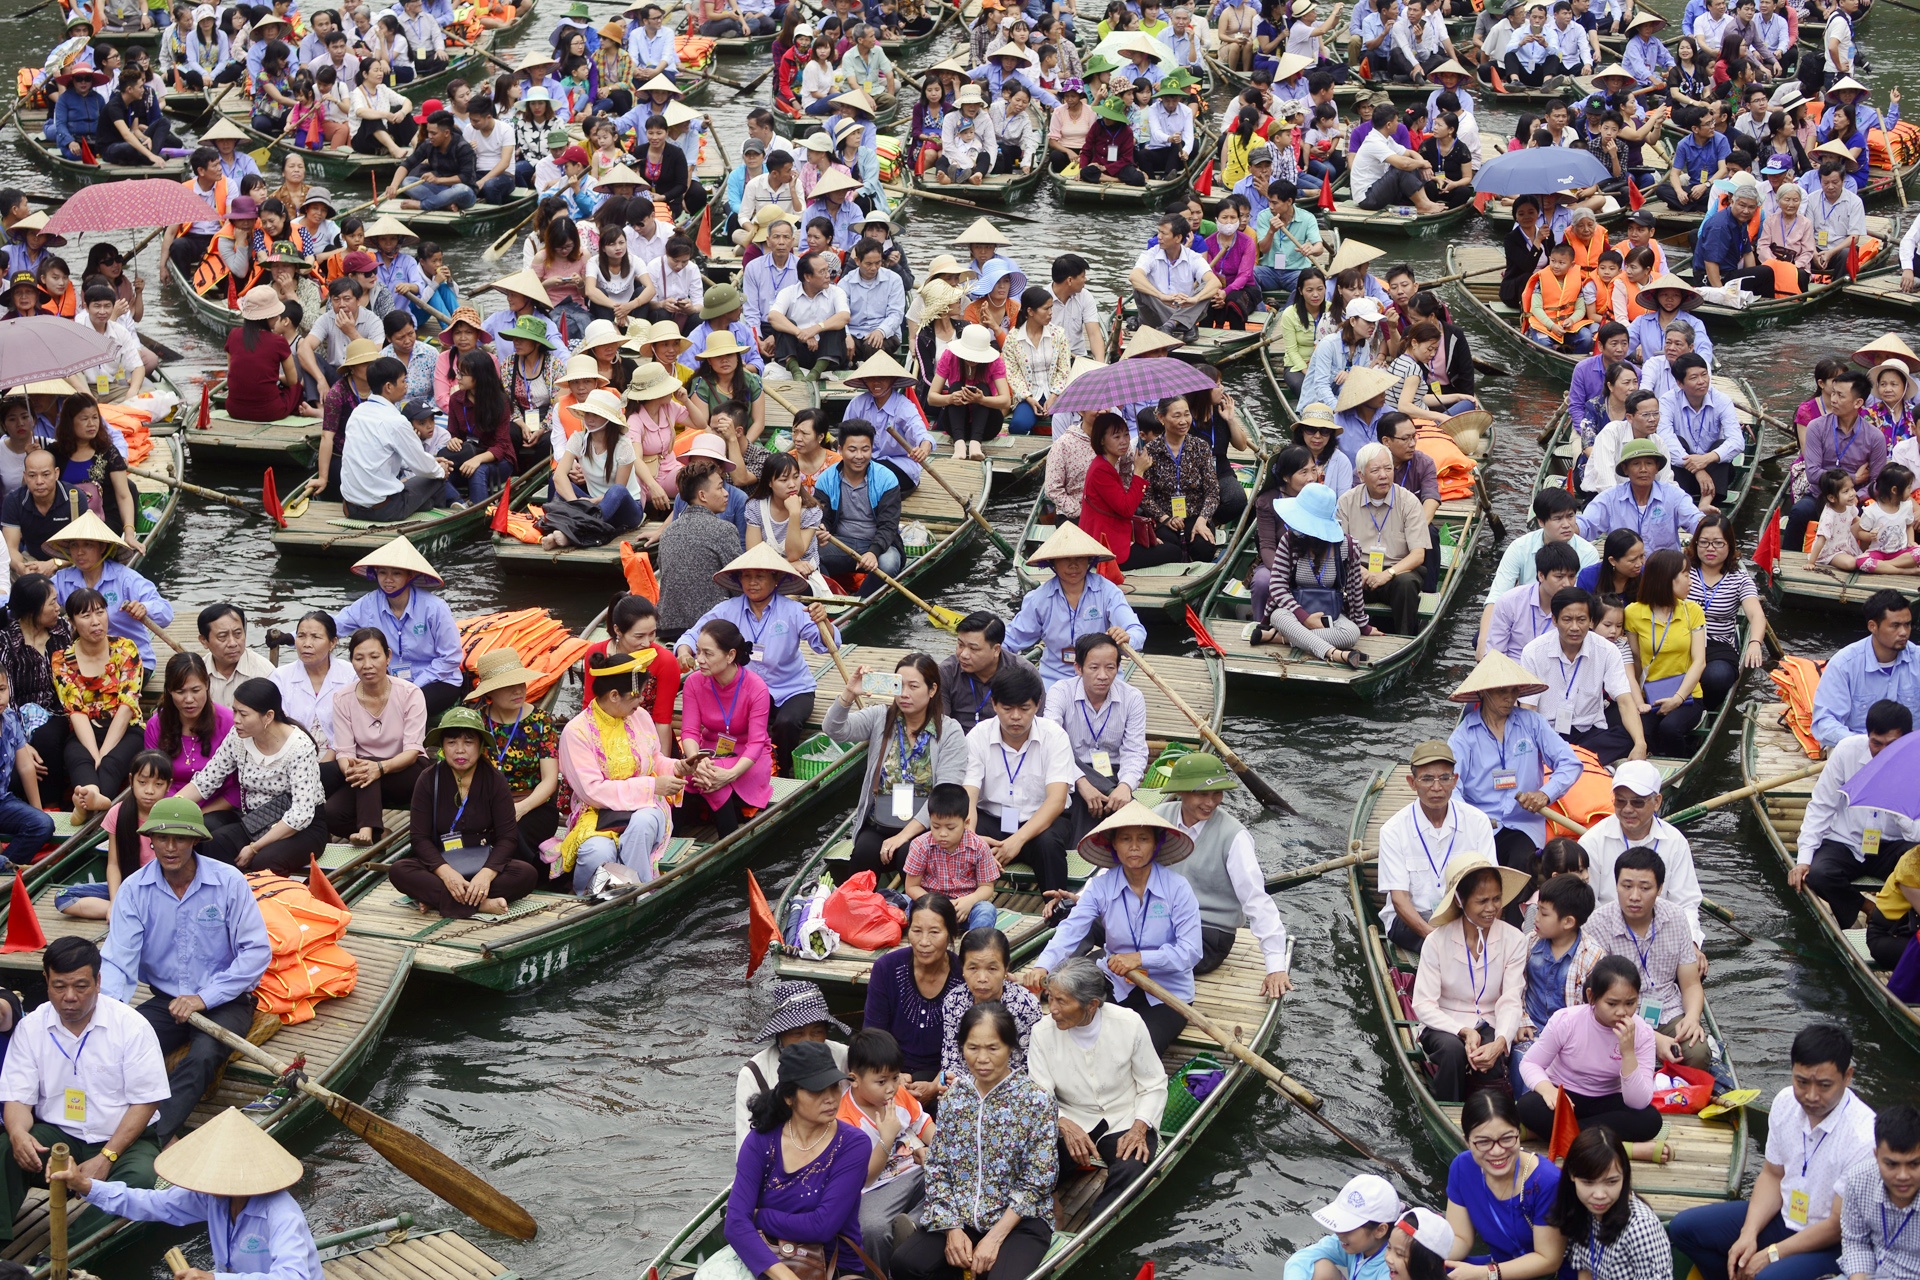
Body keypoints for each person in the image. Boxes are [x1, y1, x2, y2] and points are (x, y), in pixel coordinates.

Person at [98, 795, 269, 1142]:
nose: (170, 847)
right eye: (162, 838)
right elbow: (118, 960)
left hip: (225, 999)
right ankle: (100, 1128)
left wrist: (203, 998)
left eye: (180, 838)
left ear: (195, 840)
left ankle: (151, 1137)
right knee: (122, 1048)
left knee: (204, 1054)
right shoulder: (133, 890)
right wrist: (105, 1015)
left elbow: (255, 953)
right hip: (167, 999)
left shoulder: (229, 882)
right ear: (151, 840)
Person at [1667, 1024, 1876, 1280]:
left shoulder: (1864, 1135)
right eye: (1802, 1081)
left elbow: (1837, 1225)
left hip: (1830, 1243)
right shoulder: (1786, 1102)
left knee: (1767, 1276)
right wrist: (1748, 1233)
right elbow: (1772, 1175)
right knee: (1684, 1229)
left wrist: (1771, 1254)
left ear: (1848, 1077)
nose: (1811, 1095)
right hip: (1784, 1217)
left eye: (1824, 1085)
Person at [0, 933, 165, 1236]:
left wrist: (107, 1157)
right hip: (58, 1135)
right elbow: (17, 1098)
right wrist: (18, 1134)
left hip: (121, 1142)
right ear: (46, 981)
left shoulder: (131, 1026)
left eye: (81, 986)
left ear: (98, 982)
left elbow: (146, 1101)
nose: (70, 997)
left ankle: (63, 1257)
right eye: (59, 986)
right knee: (3, 1150)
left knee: (144, 1178)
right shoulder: (31, 1027)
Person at [50, 1106, 324, 1277]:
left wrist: (214, 1279)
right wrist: (85, 1185)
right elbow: (153, 1204)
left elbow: (293, 1276)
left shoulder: (281, 1214)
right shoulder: (215, 1197)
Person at [889, 1001, 1057, 1280]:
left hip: (1019, 1221)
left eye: (993, 1048)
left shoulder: (1037, 1101)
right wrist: (952, 1229)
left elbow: (1039, 1180)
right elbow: (939, 1167)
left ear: (1010, 1048)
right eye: (973, 1048)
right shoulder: (955, 1098)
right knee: (906, 1263)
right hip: (962, 1217)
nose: (982, 1058)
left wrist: (994, 1238)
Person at [1026, 803, 1202, 1055]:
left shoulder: (1178, 888)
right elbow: (1071, 929)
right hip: (1117, 982)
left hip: (1167, 991)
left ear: (1156, 844)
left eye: (1143, 839)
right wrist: (1043, 965)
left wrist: (1141, 958)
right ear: (1113, 845)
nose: (1134, 846)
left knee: (1142, 1048)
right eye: (1125, 839)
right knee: (1084, 1030)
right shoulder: (1100, 887)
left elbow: (1191, 951)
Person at [677, 545, 839, 774]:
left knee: (786, 724)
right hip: (746, 691)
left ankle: (783, 770)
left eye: (760, 577)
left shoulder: (793, 610)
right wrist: (685, 651)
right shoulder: (727, 609)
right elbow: (692, 635)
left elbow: (825, 645)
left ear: (776, 580)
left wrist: (824, 622)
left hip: (791, 689)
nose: (752, 583)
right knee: (739, 724)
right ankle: (744, 766)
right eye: (747, 576)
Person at [1028, 955, 1167, 1222]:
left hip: (1124, 1115)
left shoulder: (1129, 1023)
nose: (1052, 1009)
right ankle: (1045, 1203)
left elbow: (1153, 1084)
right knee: (1034, 1162)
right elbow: (1039, 1095)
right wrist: (1064, 1124)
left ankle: (1095, 1227)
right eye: (1050, 998)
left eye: (1061, 1001)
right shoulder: (1042, 1033)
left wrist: (1139, 1128)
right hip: (1072, 1117)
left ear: (1091, 1005)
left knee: (1132, 1166)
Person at [553, 649, 696, 895]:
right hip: (596, 813)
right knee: (597, 853)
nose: (641, 701)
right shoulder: (576, 733)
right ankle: (592, 900)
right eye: (636, 695)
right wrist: (652, 786)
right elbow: (592, 791)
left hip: (645, 807)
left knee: (641, 825)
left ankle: (639, 895)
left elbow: (654, 760)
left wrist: (676, 767)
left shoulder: (639, 716)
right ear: (614, 695)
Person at [724, 1040, 869, 1274]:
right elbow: (735, 1224)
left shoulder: (854, 1145)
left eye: (834, 1087)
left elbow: (821, 1226)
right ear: (789, 1097)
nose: (831, 1098)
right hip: (769, 1259)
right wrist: (784, 1276)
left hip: (834, 1267)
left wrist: (760, 1217)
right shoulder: (760, 1141)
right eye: (817, 1090)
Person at [385, 705, 540, 919]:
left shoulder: (494, 780)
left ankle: (438, 900)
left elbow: (507, 838)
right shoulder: (428, 779)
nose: (460, 750)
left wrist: (486, 875)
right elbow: (419, 838)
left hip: (483, 862)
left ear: (480, 746)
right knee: (399, 871)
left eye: (468, 742)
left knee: (526, 875)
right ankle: (481, 904)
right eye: (451, 742)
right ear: (442, 747)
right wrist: (446, 874)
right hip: (443, 863)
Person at [826, 654, 967, 880]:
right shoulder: (880, 717)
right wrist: (849, 694)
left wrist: (904, 836)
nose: (904, 694)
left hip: (925, 826)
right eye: (899, 685)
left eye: (913, 686)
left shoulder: (950, 731)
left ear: (932, 690)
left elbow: (946, 793)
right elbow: (834, 730)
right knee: (864, 853)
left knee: (909, 853)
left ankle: (915, 909)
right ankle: (861, 909)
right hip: (879, 819)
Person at [1412, 851, 1530, 1101]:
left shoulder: (1515, 940)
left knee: (1493, 1060)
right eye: (1482, 901)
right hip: (1443, 1022)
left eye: (1496, 899)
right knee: (1452, 1052)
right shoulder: (1436, 942)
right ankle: (1449, 1110)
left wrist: (1500, 1042)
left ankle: (1489, 1119)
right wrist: (1463, 1030)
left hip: (1490, 1021)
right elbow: (1423, 1005)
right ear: (1459, 900)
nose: (1491, 908)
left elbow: (1511, 1000)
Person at [1515, 953, 1664, 1146]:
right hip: (1565, 1094)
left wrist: (1628, 1054)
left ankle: (1563, 1134)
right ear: (1591, 997)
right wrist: (1548, 1091)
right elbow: (1530, 1063)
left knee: (1650, 1120)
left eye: (1630, 1003)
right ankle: (1611, 1144)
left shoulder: (1642, 1032)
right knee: (1528, 1107)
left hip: (1609, 1100)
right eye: (1612, 1004)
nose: (1622, 1012)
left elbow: (1638, 1101)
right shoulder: (1567, 1021)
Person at [1793, 699, 1917, 927]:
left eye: (1891, 745)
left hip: (1892, 845)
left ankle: (1899, 920)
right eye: (1876, 743)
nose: (1882, 753)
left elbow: (1916, 835)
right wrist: (1803, 859)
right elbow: (1821, 806)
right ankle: (1866, 908)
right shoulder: (1847, 751)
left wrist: (1896, 798)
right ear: (1867, 736)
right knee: (1818, 873)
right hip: (1846, 842)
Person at [1587, 847, 1708, 1069]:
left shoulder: (1676, 918)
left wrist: (1692, 1019)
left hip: (1669, 1010)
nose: (1634, 896)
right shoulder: (1598, 923)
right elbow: (1598, 1000)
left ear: (1660, 889)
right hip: (1619, 1017)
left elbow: (1690, 983)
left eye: (1645, 888)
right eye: (1626, 886)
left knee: (1698, 1052)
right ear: (1616, 886)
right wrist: (1652, 1038)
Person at [1244, 480, 1384, 669]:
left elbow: (1353, 591)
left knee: (1351, 634)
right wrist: (1304, 618)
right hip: (1292, 612)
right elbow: (1277, 587)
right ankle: (1335, 654)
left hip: (1330, 615)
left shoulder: (1348, 547)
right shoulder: (1289, 541)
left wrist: (1363, 625)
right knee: (1278, 616)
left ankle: (1278, 638)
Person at [332, 537, 464, 719]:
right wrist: (293, 637)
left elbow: (451, 657)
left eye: (396, 573)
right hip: (391, 679)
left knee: (406, 707)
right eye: (383, 572)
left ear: (409, 576)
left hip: (437, 679)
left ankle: (411, 746)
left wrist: (414, 685)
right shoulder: (369, 603)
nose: (388, 580)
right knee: (354, 703)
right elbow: (335, 626)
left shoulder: (434, 608)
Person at [1443, 1090, 1568, 1280]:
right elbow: (1461, 1238)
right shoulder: (1462, 1167)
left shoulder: (1547, 1181)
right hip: (1497, 1267)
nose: (1497, 1151)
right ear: (1467, 1141)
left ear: (1519, 1133)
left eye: (1507, 1138)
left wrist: (1487, 1273)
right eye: (1484, 1142)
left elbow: (1549, 1259)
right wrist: (1420, 1252)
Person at [1004, 523, 1147, 687]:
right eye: (1065, 559)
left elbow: (1136, 630)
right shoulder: (1039, 598)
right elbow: (1012, 638)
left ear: (1089, 560)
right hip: (1055, 680)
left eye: (1079, 558)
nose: (1073, 565)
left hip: (1102, 677)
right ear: (1053, 563)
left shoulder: (1108, 591)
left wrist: (1127, 637)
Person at [1042, 633, 1148, 845]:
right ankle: (1090, 850)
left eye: (1110, 667)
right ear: (1078, 668)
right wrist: (1081, 782)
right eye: (1093, 668)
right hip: (1070, 770)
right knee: (1081, 795)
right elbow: (1051, 746)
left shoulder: (1132, 697)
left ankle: (1086, 850)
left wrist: (1125, 787)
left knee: (1107, 800)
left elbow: (1135, 751)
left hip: (1114, 774)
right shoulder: (1060, 692)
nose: (1103, 675)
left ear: (1118, 667)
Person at [1520, 588, 1647, 765]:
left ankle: (1564, 762)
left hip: (1588, 732)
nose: (1574, 627)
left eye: (1581, 620)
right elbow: (1528, 708)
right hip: (1547, 733)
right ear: (1555, 620)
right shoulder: (1533, 652)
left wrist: (1640, 743)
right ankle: (1581, 762)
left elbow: (1625, 700)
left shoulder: (1607, 650)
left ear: (1591, 621)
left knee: (1628, 738)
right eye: (1567, 619)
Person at [735, 981, 853, 1148]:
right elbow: (745, 1146)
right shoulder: (754, 1073)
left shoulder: (846, 1056)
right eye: (797, 1033)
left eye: (817, 1032)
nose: (807, 1041)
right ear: (780, 1035)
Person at [1549, 1129, 1673, 1280]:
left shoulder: (1641, 1228)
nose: (1600, 1195)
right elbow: (1584, 1270)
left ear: (1624, 1175)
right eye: (1588, 1183)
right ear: (1572, 1175)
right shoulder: (1581, 1208)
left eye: (1611, 1182)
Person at [338, 356, 448, 523]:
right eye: (403, 381)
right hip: (384, 510)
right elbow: (423, 468)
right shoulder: (397, 421)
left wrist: (431, 460)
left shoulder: (358, 412)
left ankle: (425, 504)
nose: (406, 385)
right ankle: (435, 512)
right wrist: (441, 469)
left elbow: (383, 455)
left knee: (428, 473)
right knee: (437, 478)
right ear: (389, 387)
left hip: (350, 508)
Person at [1337, 440, 1428, 636]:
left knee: (1407, 585)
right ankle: (1342, 635)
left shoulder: (1408, 502)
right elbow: (1338, 547)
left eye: (1388, 468)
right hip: (1357, 569)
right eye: (1376, 470)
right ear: (1361, 475)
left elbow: (1418, 554)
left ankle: (1405, 639)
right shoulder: (1346, 501)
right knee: (1336, 579)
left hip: (1397, 570)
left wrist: (1388, 574)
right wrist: (1359, 570)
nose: (1383, 475)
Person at [814, 419, 904, 596]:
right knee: (810, 556)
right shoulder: (826, 479)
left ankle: (859, 601)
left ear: (872, 449)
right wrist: (822, 529)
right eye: (852, 449)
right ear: (840, 450)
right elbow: (822, 517)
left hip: (879, 545)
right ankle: (831, 598)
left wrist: (873, 552)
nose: (859, 456)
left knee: (889, 564)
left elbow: (888, 526)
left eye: (865, 449)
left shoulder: (886, 479)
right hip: (840, 542)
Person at [1577, 439, 1704, 556]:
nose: (1643, 469)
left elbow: (1694, 519)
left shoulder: (1674, 495)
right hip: (1624, 573)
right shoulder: (1610, 498)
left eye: (1649, 463)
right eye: (1636, 464)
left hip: (1664, 572)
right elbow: (1586, 525)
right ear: (1625, 469)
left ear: (1657, 468)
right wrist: (1568, 525)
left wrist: (1705, 522)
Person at [1840, 1105, 1920, 1280]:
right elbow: (1856, 1242)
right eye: (1891, 1164)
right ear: (1876, 1156)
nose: (1903, 1176)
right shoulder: (1859, 1179)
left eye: (1914, 1164)